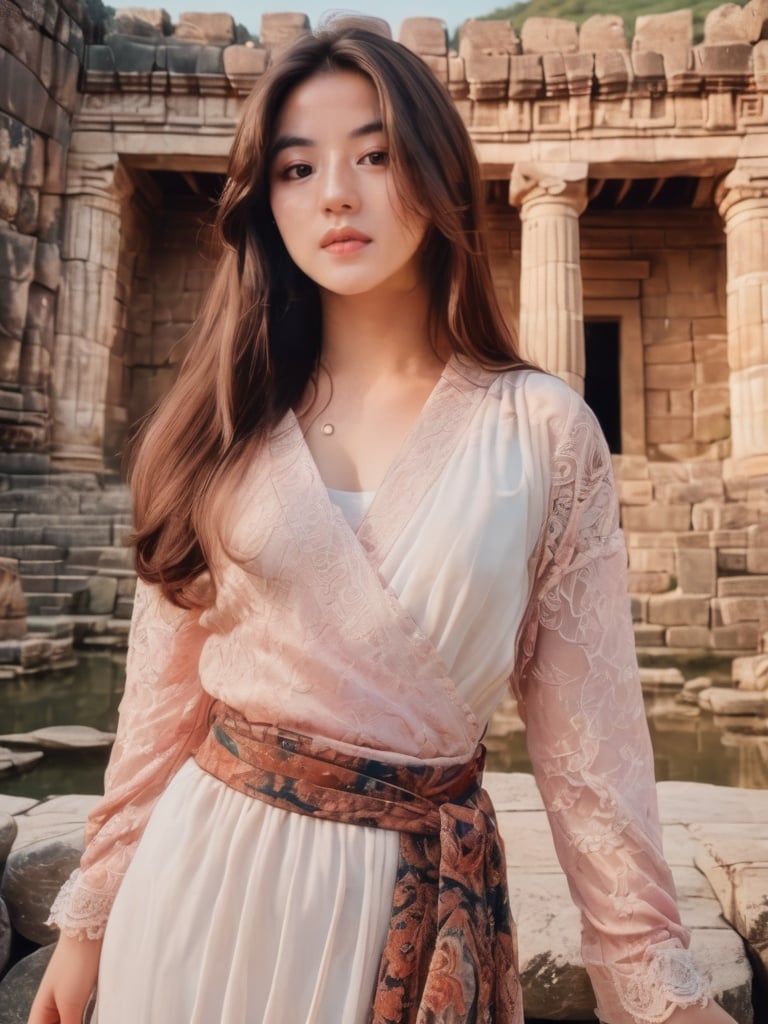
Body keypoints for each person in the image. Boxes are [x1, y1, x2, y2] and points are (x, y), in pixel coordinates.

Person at [30, 21, 738, 1024]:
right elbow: (157, 709)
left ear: (439, 172)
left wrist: (651, 981)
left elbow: (594, 757)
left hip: (410, 916)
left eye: (374, 154)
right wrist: (92, 916)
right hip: (195, 895)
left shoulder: (542, 432)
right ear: (264, 197)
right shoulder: (220, 421)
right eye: (295, 165)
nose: (335, 193)